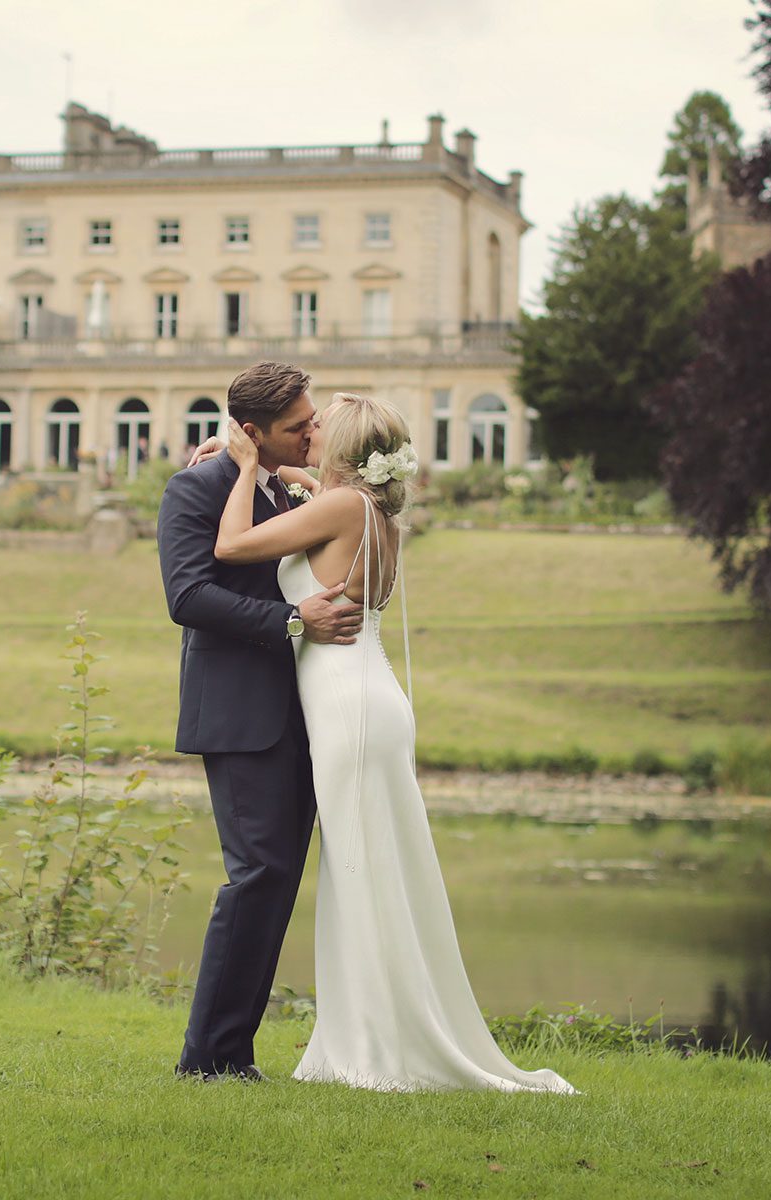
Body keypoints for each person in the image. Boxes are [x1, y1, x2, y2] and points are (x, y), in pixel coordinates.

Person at [195, 386, 576, 1095]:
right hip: (370, 695)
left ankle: (383, 1047)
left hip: (348, 707)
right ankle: (373, 1032)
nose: (308, 434)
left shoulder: (343, 508)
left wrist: (246, 465)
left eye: (319, 428)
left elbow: (231, 545)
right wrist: (284, 475)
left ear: (342, 449)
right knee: (365, 870)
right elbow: (318, 497)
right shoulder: (370, 510)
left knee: (362, 872)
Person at [157, 361, 361, 1081]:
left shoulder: (281, 488)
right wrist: (292, 621)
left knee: (275, 881)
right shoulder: (198, 486)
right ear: (252, 433)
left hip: (300, 711)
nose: (313, 432)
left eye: (312, 420)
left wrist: (303, 480)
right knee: (256, 878)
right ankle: (204, 1060)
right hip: (241, 714)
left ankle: (231, 1056)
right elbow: (187, 595)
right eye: (297, 427)